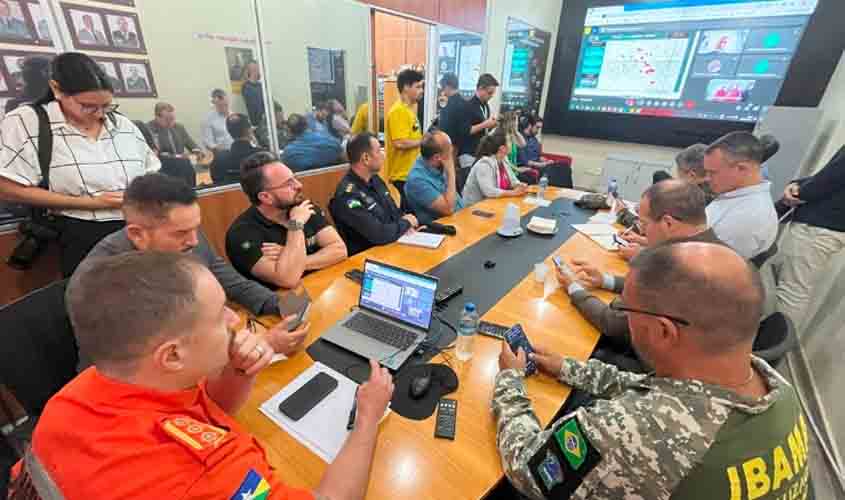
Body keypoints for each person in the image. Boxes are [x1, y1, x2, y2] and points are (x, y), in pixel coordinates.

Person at [32, 251, 394, 499]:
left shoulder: (78, 394)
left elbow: (197, 417)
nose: (234, 320)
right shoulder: (208, 473)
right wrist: (366, 417)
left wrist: (237, 372)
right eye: (219, 313)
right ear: (172, 355)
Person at [494, 242, 812, 499]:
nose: (623, 316)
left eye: (625, 308)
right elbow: (657, 390)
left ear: (662, 331)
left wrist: (510, 381)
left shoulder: (633, 431)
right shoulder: (777, 387)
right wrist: (567, 368)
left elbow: (525, 465)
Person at [80, 173, 306, 356]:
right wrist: (261, 345)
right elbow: (162, 357)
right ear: (137, 234)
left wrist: (283, 305)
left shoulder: (186, 240)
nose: (194, 241)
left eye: (194, 228)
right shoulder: (103, 279)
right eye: (181, 233)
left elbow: (233, 283)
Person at [0, 52, 159, 277]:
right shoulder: (28, 121)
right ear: (56, 89)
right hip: (79, 231)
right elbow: (8, 188)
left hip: (136, 225)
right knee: (96, 302)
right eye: (87, 106)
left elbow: (151, 172)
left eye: (106, 105)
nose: (99, 114)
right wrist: (89, 203)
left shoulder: (122, 124)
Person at [555, 180, 722, 347]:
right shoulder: (715, 249)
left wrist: (574, 288)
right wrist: (605, 280)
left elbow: (612, 323)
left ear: (668, 223)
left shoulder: (678, 268)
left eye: (644, 224)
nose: (641, 232)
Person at [226, 152, 347, 290]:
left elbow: (339, 250)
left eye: (295, 178)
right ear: (266, 197)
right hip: (282, 304)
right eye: (289, 184)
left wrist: (293, 258)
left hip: (320, 285)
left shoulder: (302, 207)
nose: (299, 185)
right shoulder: (242, 234)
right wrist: (296, 224)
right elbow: (288, 278)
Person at [777, 144, 845, 332]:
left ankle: (770, 350)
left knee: (792, 292)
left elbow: (831, 178)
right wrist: (798, 183)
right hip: (824, 227)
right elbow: (828, 174)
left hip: (819, 228)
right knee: (792, 288)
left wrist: (799, 191)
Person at [330, 132, 419, 255]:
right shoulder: (348, 195)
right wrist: (407, 223)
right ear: (366, 158)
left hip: (394, 245)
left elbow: (395, 214)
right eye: (378, 151)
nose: (383, 154)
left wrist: (406, 227)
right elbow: (379, 234)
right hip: (369, 257)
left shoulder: (375, 180)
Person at [704, 131, 778, 261]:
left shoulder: (748, 216)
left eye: (712, 173)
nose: (707, 178)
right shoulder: (733, 195)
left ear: (742, 168)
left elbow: (708, 264)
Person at [404, 131, 464, 225]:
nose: (452, 152)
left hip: (461, 218)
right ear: (437, 157)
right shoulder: (417, 180)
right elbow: (449, 209)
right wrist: (451, 172)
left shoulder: (434, 163)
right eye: (449, 151)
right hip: (443, 229)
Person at [385, 69, 425, 213]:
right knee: (411, 212)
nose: (422, 91)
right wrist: (423, 141)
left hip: (410, 172)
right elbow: (400, 143)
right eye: (418, 87)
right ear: (406, 87)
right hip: (402, 174)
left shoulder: (409, 110)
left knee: (408, 211)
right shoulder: (399, 111)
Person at [461, 132, 527, 206]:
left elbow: (512, 180)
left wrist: (519, 185)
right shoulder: (484, 164)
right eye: (509, 142)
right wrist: (513, 193)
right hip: (473, 209)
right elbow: (489, 191)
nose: (512, 143)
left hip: (492, 204)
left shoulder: (503, 160)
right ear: (502, 148)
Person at [453, 74, 499, 171]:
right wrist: (485, 124)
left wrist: (491, 125)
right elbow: (465, 131)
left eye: (492, 94)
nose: (491, 96)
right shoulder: (467, 106)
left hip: (479, 152)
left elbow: (482, 129)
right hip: (468, 153)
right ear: (480, 88)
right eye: (489, 93)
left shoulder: (485, 106)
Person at [516, 115, 573, 189]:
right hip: (530, 166)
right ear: (530, 125)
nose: (538, 130)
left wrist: (546, 160)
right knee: (551, 172)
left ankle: (566, 192)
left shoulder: (534, 139)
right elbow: (526, 161)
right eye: (537, 127)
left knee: (564, 167)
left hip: (539, 164)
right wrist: (542, 164)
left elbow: (538, 156)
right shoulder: (520, 140)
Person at [210, 113, 263, 184]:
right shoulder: (262, 156)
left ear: (229, 132)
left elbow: (217, 183)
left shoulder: (219, 159)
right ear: (249, 130)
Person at [200, 88, 233, 152]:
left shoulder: (232, 114)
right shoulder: (207, 120)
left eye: (226, 105)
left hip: (237, 149)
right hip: (223, 153)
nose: (225, 108)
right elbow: (209, 145)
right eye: (221, 105)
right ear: (214, 104)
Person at [241, 60, 265, 132]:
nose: (258, 70)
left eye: (257, 68)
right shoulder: (246, 87)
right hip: (257, 123)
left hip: (266, 120)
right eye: (255, 68)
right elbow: (253, 105)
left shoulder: (261, 85)